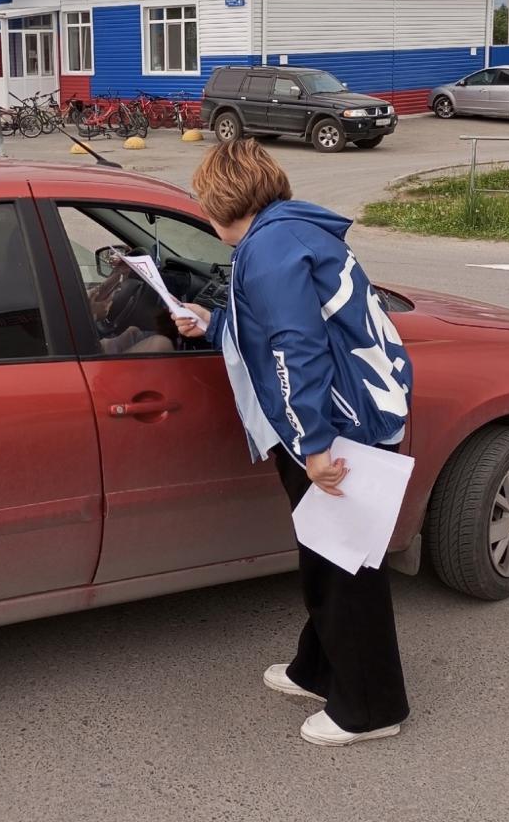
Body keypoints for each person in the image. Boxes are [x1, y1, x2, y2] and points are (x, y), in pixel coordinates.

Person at [174, 139, 413, 747]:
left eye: (205, 204)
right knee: (327, 555)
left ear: (222, 203)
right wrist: (213, 324)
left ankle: (372, 708)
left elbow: (294, 347)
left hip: (337, 430)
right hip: (351, 416)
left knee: (347, 568)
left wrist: (313, 445)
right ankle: (319, 670)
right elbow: (273, 326)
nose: (204, 214)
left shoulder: (268, 249)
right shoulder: (292, 231)